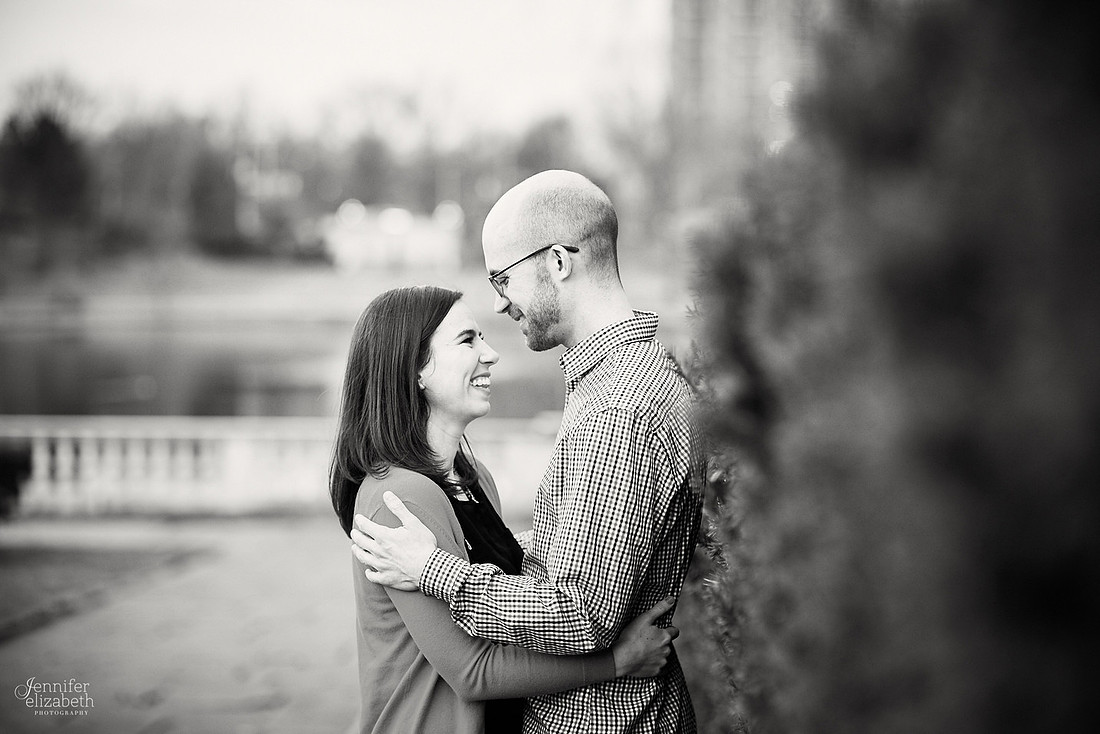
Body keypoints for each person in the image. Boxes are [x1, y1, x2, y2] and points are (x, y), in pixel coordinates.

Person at [350, 171, 705, 732]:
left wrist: (436, 570)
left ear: (558, 262)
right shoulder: (623, 382)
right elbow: (591, 552)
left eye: (503, 278)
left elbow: (583, 613)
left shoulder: (617, 409)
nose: (500, 303)